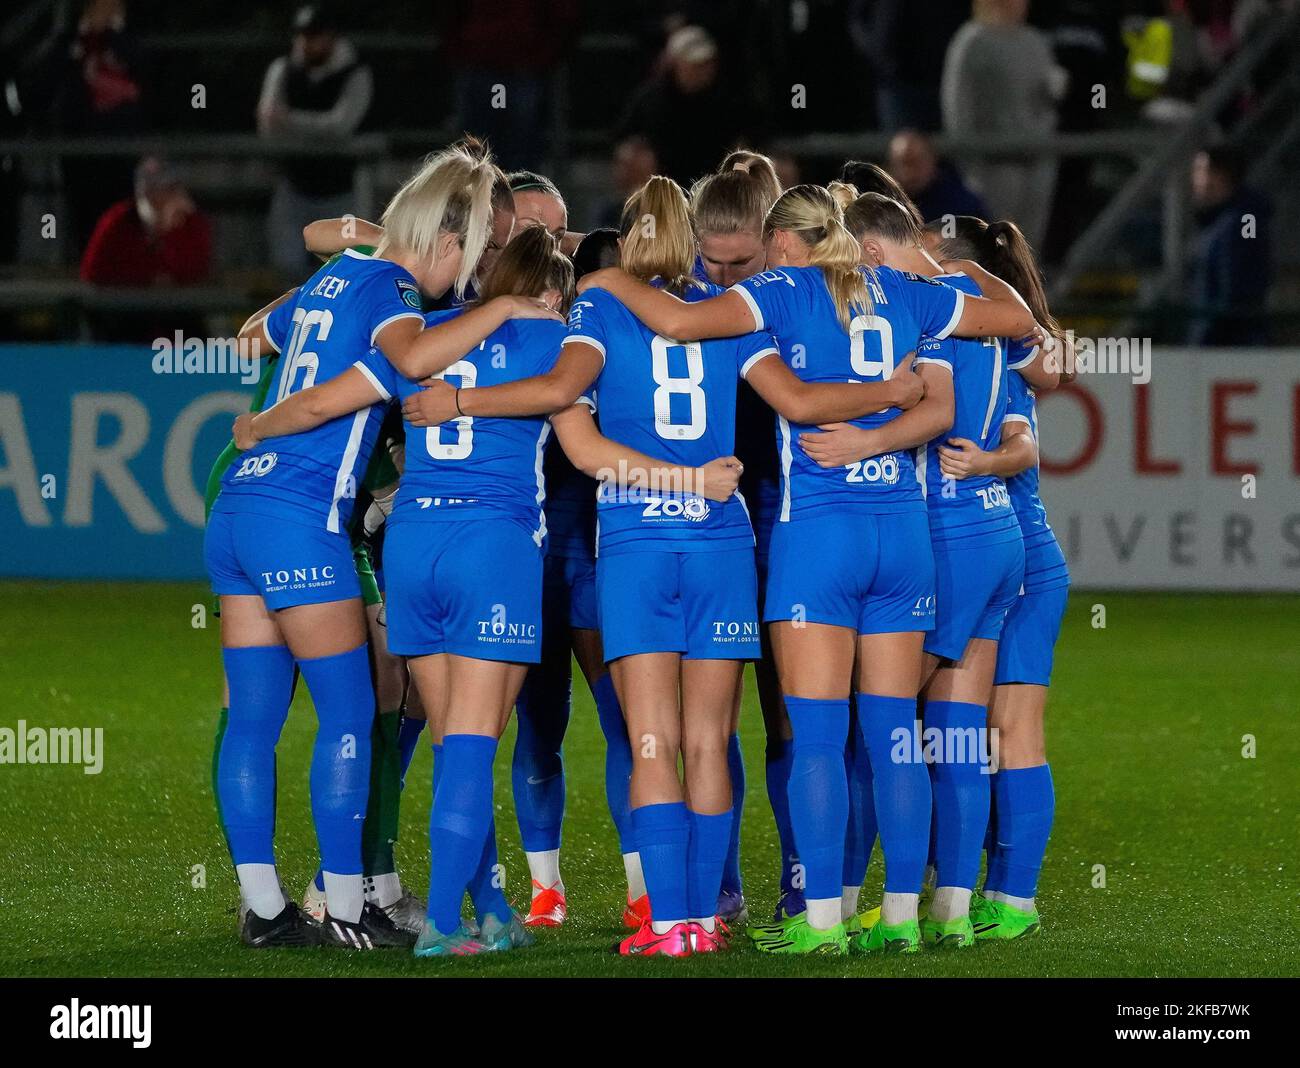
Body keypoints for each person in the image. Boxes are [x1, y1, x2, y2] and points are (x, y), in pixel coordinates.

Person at [401, 178, 932, 957]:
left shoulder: (599, 308)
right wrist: (891, 393)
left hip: (636, 549)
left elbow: (565, 413)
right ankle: (711, 917)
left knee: (649, 741)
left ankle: (667, 923)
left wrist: (459, 402)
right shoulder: (731, 317)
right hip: (721, 543)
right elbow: (796, 400)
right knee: (711, 743)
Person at [573, 182, 1036, 954]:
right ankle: (900, 919)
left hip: (818, 538)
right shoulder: (907, 291)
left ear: (784, 243)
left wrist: (610, 276)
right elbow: (1016, 324)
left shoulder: (778, 292)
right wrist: (884, 410)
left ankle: (819, 921)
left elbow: (688, 323)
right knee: (893, 736)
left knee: (818, 739)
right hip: (903, 537)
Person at [207, 143, 558, 950]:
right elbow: (411, 359)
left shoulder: (338, 277)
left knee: (254, 721)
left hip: (239, 507)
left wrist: (259, 421)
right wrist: (505, 310)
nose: (470, 274)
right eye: (474, 254)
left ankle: (265, 910)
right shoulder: (396, 289)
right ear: (445, 241)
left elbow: (256, 337)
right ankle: (348, 904)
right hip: (300, 515)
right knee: (352, 713)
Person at [831, 196, 1040, 947]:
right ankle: (952, 910)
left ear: (877, 255)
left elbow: (915, 408)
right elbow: (1034, 361)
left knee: (875, 729)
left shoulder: (921, 313)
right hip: (998, 530)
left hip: (946, 534)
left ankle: (866, 906)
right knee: (953, 735)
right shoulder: (978, 309)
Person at [925, 213, 1072, 942]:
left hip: (1015, 560)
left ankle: (1010, 897)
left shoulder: (994, 348)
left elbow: (1024, 445)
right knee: (961, 736)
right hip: (1004, 556)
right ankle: (978, 890)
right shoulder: (978, 348)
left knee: (1008, 732)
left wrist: (984, 463)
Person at [256, 3, 373, 281]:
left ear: (332, 36)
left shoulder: (356, 72)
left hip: (342, 191)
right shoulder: (282, 69)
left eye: (316, 35)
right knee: (287, 278)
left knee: (346, 278)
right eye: (303, 35)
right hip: (294, 187)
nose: (308, 42)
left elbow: (340, 125)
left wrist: (291, 120)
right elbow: (268, 126)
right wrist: (311, 126)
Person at [941, 0, 1066, 249]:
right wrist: (970, 162)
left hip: (1037, 161)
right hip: (992, 165)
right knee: (994, 248)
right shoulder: (972, 40)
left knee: (1030, 249)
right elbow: (958, 106)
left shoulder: (1035, 41)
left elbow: (1047, 102)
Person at [79, 156, 212, 341]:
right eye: (158, 189)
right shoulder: (117, 220)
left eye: (171, 188)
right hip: (126, 313)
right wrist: (144, 280)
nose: (166, 195)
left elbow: (198, 270)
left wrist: (166, 233)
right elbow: (91, 273)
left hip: (176, 313)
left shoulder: (190, 220)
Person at [616, 25, 743, 188]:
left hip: (714, 186)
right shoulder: (650, 100)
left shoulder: (728, 100)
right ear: (675, 64)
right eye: (694, 63)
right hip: (663, 183)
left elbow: (746, 141)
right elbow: (624, 138)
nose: (703, 70)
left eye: (708, 63)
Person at [1187, 146, 1273, 346]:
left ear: (1220, 175)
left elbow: (1241, 283)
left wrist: (1209, 334)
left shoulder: (1245, 219)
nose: (1195, 180)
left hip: (1231, 344)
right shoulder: (1219, 223)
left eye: (1200, 171)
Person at [887, 130, 988, 225]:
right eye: (902, 164)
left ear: (932, 161)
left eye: (916, 163)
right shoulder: (882, 207)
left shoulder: (962, 205)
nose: (909, 172)